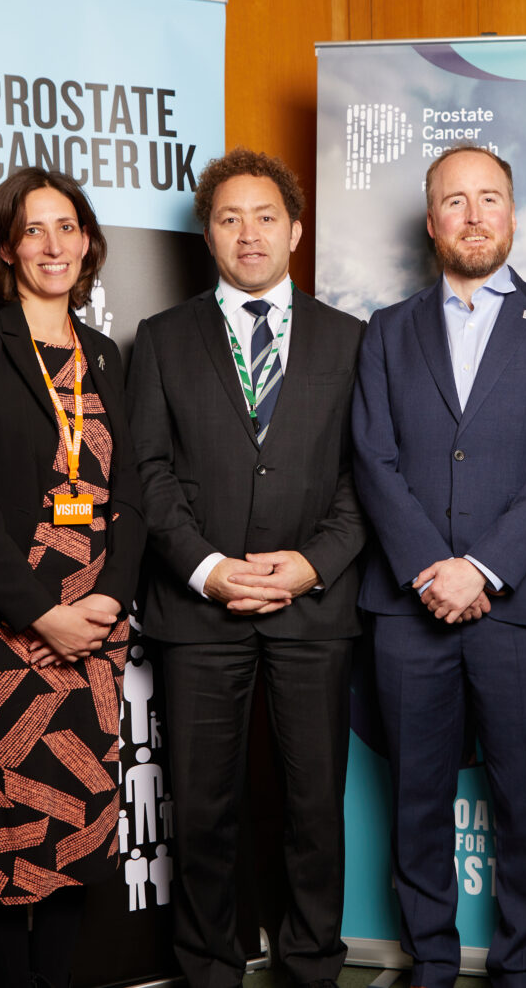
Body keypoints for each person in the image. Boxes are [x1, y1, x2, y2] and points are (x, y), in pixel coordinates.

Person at [351, 145, 526, 988]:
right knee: (415, 799)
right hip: (407, 605)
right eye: (454, 201)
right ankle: (429, 959)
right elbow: (372, 459)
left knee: (521, 798)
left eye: (489, 198)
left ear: (513, 213)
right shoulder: (386, 330)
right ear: (432, 221)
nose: (473, 214)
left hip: (515, 608)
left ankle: (522, 964)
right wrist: (430, 566)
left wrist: (481, 568)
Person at [125, 149, 366, 988]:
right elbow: (146, 475)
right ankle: (208, 970)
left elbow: (362, 476)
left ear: (295, 230)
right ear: (208, 234)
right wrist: (210, 568)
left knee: (312, 810)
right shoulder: (160, 339)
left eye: (265, 216)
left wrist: (312, 565)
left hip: (313, 610)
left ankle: (311, 968)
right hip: (199, 612)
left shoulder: (351, 339)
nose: (249, 232)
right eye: (229, 218)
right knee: (201, 810)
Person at [0, 166, 146, 988]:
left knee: (75, 843)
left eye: (68, 227)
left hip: (95, 637)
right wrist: (44, 614)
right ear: (7, 246)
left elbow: (134, 498)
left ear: (88, 243)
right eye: (35, 229)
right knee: (5, 843)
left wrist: (107, 601)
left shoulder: (108, 355)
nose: (54, 244)